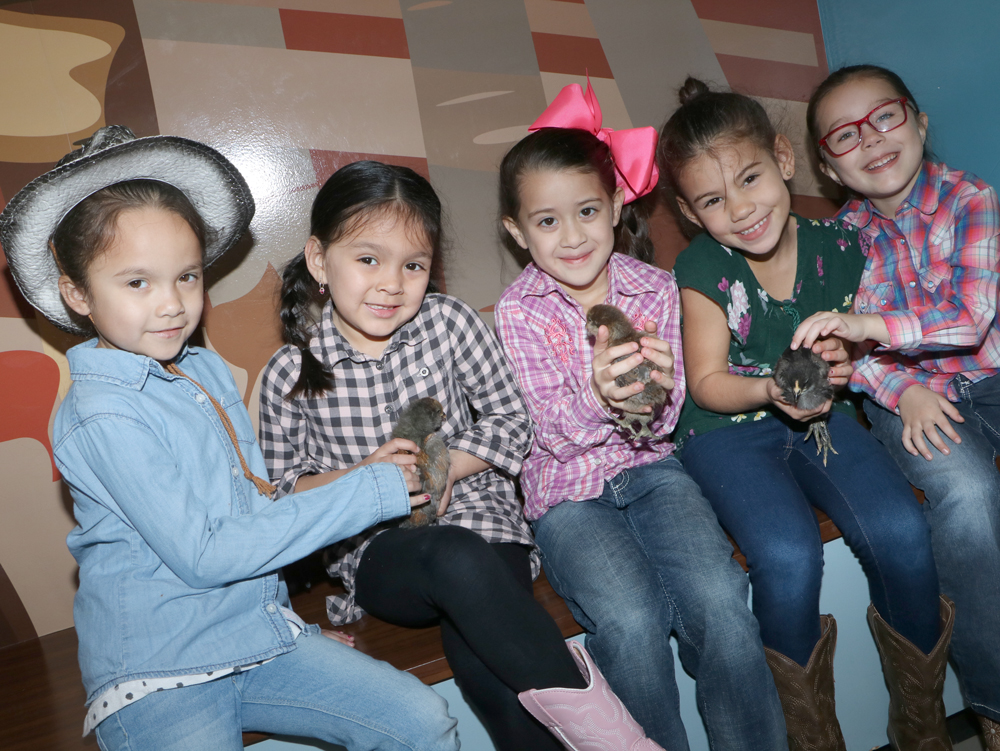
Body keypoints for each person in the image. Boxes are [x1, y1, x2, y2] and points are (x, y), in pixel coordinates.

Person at [0, 127, 459, 751]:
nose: (171, 305)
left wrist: (287, 619)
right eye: (137, 283)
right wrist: (370, 492)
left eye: (186, 277)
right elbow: (209, 553)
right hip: (160, 672)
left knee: (422, 722)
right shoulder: (101, 414)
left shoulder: (204, 371)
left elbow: (254, 504)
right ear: (77, 294)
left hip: (256, 639)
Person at [258, 159, 653, 751]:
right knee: (450, 555)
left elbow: (513, 420)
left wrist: (445, 466)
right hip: (381, 553)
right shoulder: (289, 374)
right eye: (368, 259)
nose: (392, 283)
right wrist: (365, 481)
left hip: (487, 527)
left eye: (413, 265)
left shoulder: (449, 323)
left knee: (488, 675)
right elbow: (278, 498)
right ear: (319, 260)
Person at [493, 81, 788, 751]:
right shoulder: (519, 310)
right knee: (629, 621)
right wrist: (600, 395)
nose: (572, 237)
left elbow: (665, 423)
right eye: (547, 221)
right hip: (567, 498)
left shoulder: (655, 289)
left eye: (588, 211)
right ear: (516, 230)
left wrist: (646, 395)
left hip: (655, 474)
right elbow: (550, 434)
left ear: (617, 203)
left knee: (721, 600)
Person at [658, 76, 950, 750]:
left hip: (824, 421)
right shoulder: (704, 268)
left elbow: (859, 350)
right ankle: (813, 737)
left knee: (903, 527)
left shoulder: (839, 248)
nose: (740, 208)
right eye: (712, 199)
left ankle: (923, 726)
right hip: (728, 432)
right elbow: (705, 382)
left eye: (751, 178)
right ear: (691, 211)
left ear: (784, 160)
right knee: (787, 554)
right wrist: (768, 391)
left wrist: (847, 366)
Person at [797, 63, 1000, 750]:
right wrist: (903, 388)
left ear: (917, 120)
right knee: (967, 493)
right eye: (845, 135)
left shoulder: (969, 199)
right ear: (826, 165)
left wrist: (873, 329)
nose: (873, 140)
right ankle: (996, 706)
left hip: (990, 373)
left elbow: (970, 319)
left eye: (885, 117)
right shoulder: (840, 243)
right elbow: (849, 363)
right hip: (904, 397)